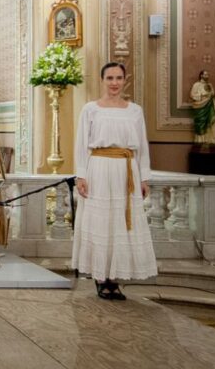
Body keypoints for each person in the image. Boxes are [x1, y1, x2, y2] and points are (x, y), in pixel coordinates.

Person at [72, 62, 157, 300]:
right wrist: (81, 174)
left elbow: (142, 146)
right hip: (99, 168)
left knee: (121, 221)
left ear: (125, 80)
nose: (114, 83)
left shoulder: (134, 111)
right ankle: (101, 277)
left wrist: (144, 177)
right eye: (109, 78)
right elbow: (80, 144)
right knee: (102, 222)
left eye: (119, 78)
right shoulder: (91, 109)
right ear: (102, 80)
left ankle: (115, 278)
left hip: (126, 170)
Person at [190, 70, 215, 145]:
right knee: (201, 123)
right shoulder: (196, 85)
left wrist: (210, 96)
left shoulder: (210, 85)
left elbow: (212, 95)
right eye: (205, 74)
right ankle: (200, 141)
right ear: (201, 75)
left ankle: (211, 140)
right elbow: (192, 95)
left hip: (210, 106)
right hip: (201, 108)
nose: (207, 76)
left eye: (208, 74)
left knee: (213, 122)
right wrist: (203, 96)